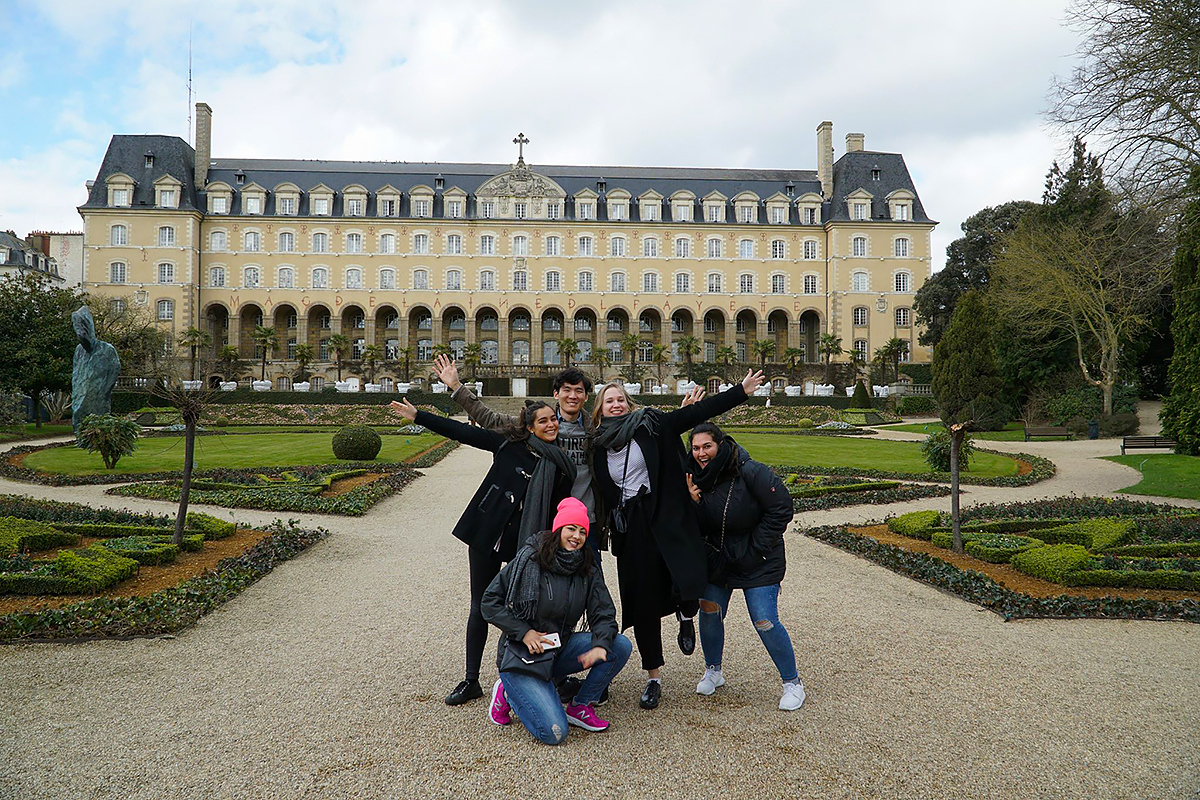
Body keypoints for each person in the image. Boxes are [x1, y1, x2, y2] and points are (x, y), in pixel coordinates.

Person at [591, 369, 765, 709]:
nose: (616, 405)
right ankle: (653, 677)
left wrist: (740, 391)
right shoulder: (596, 444)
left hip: (664, 515)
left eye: (620, 400)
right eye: (609, 401)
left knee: (686, 575)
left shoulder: (649, 424)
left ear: (629, 404)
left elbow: (695, 415)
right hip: (630, 526)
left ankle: (686, 616)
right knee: (641, 603)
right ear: (600, 409)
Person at [389, 396, 575, 707]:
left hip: (525, 545)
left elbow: (559, 512)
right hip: (487, 534)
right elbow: (462, 433)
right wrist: (419, 416)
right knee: (480, 605)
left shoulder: (560, 464)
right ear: (529, 426)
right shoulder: (507, 443)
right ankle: (471, 679)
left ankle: (529, 673)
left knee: (526, 608)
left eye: (553, 419)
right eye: (543, 421)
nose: (551, 424)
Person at [481, 497, 632, 745]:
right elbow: (489, 602)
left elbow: (604, 613)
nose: (577, 536)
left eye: (583, 531)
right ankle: (508, 691)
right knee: (554, 733)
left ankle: (579, 705)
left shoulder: (587, 568)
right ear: (558, 529)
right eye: (571, 528)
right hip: (524, 655)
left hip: (559, 647)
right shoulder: (530, 559)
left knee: (619, 646)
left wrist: (599, 646)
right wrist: (524, 632)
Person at [684, 422, 805, 711]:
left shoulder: (750, 470)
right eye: (696, 448)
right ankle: (714, 669)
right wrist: (693, 503)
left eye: (707, 446)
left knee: (764, 619)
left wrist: (755, 549)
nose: (702, 453)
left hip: (758, 558)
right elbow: (696, 527)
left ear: (721, 444)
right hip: (720, 560)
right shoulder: (694, 478)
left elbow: (781, 507)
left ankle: (793, 683)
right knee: (709, 609)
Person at [431, 356, 602, 556]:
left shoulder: (596, 431)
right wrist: (456, 386)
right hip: (546, 517)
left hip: (585, 520)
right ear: (556, 394)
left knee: (590, 579)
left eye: (579, 390)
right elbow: (490, 419)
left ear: (586, 397)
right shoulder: (536, 426)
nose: (572, 396)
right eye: (567, 390)